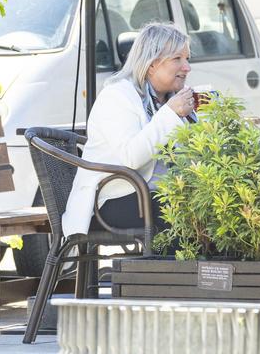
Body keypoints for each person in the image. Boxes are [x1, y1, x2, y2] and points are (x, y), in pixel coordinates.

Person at [63, 22, 196, 236]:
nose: (187, 67)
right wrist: (171, 114)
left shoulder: (170, 101)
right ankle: (170, 270)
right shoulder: (118, 96)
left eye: (187, 58)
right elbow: (131, 157)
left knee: (217, 208)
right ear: (151, 64)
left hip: (155, 194)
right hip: (116, 197)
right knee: (180, 214)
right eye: (177, 59)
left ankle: (216, 270)